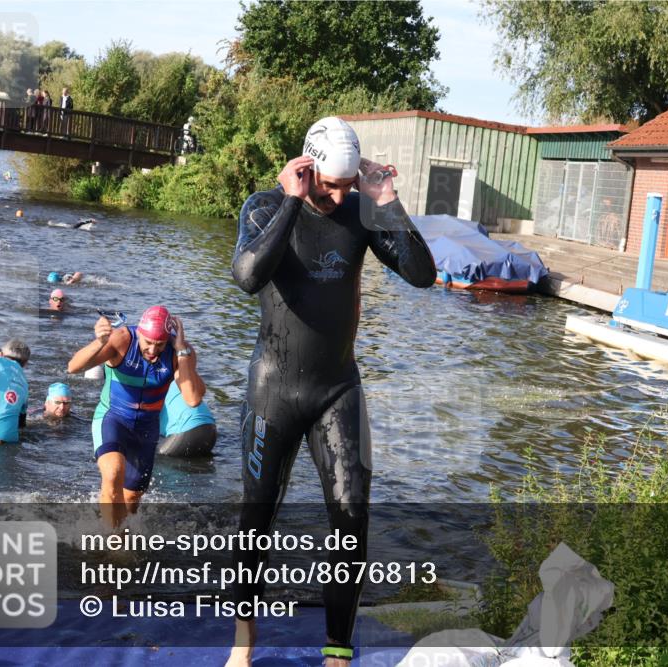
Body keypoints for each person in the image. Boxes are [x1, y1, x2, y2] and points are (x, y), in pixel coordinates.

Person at [227, 116, 435, 666]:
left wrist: (386, 201)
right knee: (257, 515)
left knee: (351, 518)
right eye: (331, 184)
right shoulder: (265, 207)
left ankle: (337, 653)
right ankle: (243, 644)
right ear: (306, 168)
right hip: (273, 389)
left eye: (349, 185)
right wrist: (292, 202)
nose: (341, 194)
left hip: (336, 389)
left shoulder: (359, 213)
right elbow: (247, 276)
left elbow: (422, 274)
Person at [66, 306, 205, 527]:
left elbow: (193, 399)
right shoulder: (122, 339)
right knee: (113, 474)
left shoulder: (179, 353)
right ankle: (113, 545)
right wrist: (100, 342)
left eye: (159, 344)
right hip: (113, 418)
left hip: (147, 427)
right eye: (148, 342)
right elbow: (73, 367)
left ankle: (118, 530)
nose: (152, 349)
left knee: (130, 500)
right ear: (139, 332)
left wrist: (181, 350)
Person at [157, 381, 216, 456]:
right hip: (210, 431)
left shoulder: (147, 385)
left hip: (185, 433)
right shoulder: (180, 377)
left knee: (148, 453)